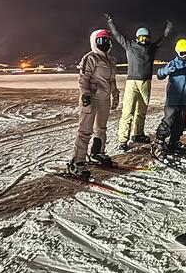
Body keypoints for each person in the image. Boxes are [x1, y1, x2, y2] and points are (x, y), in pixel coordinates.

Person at [105, 14, 173, 151]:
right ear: (137, 37)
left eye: (146, 37)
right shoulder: (130, 45)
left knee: (141, 111)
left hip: (146, 83)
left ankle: (137, 134)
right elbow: (117, 35)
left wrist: (169, 28)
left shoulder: (151, 48)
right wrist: (110, 22)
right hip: (132, 83)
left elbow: (163, 39)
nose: (144, 40)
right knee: (128, 112)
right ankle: (123, 140)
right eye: (142, 37)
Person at [68, 29, 119, 177]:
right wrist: (85, 96)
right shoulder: (90, 58)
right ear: (94, 42)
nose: (105, 44)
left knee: (101, 128)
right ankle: (77, 162)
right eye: (101, 41)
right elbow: (83, 78)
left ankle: (97, 153)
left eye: (108, 41)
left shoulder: (111, 60)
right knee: (85, 130)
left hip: (105, 98)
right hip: (91, 98)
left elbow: (112, 80)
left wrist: (115, 94)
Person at [155, 38, 186, 153]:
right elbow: (159, 75)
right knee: (169, 120)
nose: (185, 55)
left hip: (185, 99)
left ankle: (174, 142)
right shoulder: (173, 64)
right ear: (177, 52)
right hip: (173, 99)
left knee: (180, 122)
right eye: (182, 53)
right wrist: (164, 71)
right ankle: (159, 140)